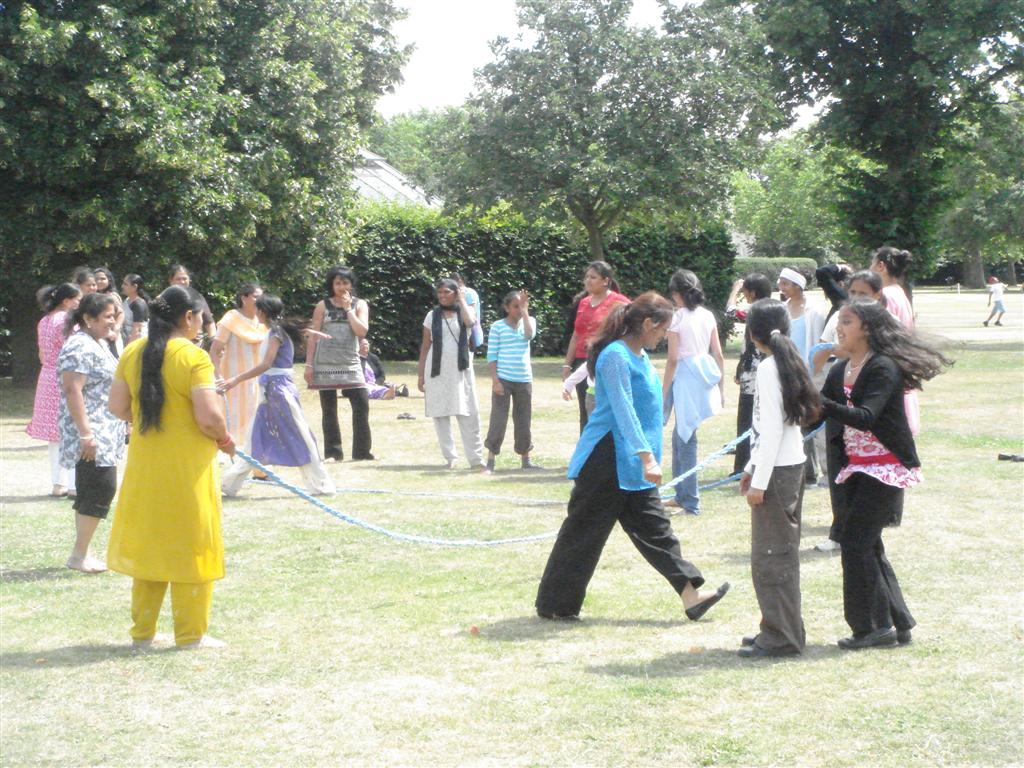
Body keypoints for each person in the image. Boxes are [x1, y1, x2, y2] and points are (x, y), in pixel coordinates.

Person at [536, 293, 730, 622]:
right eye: (661, 330)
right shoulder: (615, 356)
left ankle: (691, 595)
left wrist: (646, 458)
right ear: (646, 323)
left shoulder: (638, 356)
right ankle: (555, 604)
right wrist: (647, 458)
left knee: (655, 528)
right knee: (584, 531)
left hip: (633, 462)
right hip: (607, 457)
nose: (662, 337)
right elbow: (624, 412)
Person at [107, 285, 235, 649]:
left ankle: (142, 635)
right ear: (189, 317)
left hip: (147, 466)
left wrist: (154, 415)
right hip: (187, 468)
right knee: (192, 544)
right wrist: (226, 440)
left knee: (151, 545)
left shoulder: (133, 350)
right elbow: (210, 418)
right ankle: (191, 635)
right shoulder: (194, 358)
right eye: (200, 317)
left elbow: (117, 406)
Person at [819, 299, 951, 650]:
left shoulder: (883, 368)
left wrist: (822, 405)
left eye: (846, 322)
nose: (839, 327)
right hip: (854, 467)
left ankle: (874, 627)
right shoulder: (839, 370)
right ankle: (899, 622)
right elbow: (819, 413)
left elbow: (865, 416)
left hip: (886, 467)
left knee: (855, 541)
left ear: (866, 328)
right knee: (866, 544)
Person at [737, 299, 822, 658]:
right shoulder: (783, 362)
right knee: (776, 554)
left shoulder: (771, 368)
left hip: (779, 473)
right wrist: (751, 467)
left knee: (771, 557)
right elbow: (774, 429)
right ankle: (778, 626)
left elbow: (772, 429)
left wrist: (759, 481)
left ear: (753, 334)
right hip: (782, 466)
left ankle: (782, 635)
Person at [220, 296, 335, 497]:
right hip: (270, 391)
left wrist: (235, 380)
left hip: (279, 391)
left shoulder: (276, 333)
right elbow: (299, 330)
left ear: (263, 312)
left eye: (258, 310)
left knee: (302, 436)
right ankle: (229, 485)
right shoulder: (278, 330)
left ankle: (320, 485)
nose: (255, 313)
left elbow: (266, 364)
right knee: (253, 440)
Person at [813, 270, 886, 553]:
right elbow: (827, 351)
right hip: (841, 417)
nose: (854, 298)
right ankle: (839, 529)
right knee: (837, 470)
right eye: (852, 292)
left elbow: (868, 415)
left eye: (862, 294)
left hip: (868, 432)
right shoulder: (840, 366)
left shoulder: (880, 360)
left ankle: (854, 532)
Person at [57, 293, 126, 572]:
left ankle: (81, 552)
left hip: (105, 431)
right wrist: (86, 434)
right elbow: (73, 389)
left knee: (97, 488)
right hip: (92, 434)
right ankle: (79, 554)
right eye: (108, 316)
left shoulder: (96, 343)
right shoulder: (79, 345)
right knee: (99, 488)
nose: (113, 321)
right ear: (88, 318)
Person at [661, 269, 724, 514]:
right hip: (702, 377)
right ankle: (682, 494)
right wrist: (721, 387)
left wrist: (663, 389)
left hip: (686, 378)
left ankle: (690, 500)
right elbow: (717, 353)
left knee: (686, 439)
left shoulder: (677, 318)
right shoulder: (707, 315)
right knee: (681, 436)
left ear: (677, 294)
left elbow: (673, 359)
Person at [305, 266, 373, 461]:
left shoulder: (360, 304)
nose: (341, 286)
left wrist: (348, 309)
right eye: (337, 283)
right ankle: (333, 452)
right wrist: (309, 365)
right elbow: (313, 336)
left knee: (361, 404)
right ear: (331, 285)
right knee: (329, 409)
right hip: (324, 362)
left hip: (351, 362)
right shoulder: (322, 305)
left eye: (345, 282)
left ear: (351, 284)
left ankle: (362, 452)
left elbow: (361, 332)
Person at [417, 278, 485, 469]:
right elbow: (425, 345)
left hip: (460, 369)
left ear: (455, 293)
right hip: (436, 369)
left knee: (468, 412)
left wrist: (462, 299)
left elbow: (471, 321)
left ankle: (475, 459)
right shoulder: (432, 315)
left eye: (447, 292)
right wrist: (421, 374)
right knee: (440, 414)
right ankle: (450, 457)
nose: (442, 296)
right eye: (440, 293)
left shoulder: (465, 311)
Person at [27, 283, 82, 497]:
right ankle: (74, 484)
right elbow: (75, 350)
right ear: (67, 301)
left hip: (47, 376)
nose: (79, 303)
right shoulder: (68, 322)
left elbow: (42, 353)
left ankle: (58, 483)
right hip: (65, 378)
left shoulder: (44, 321)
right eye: (77, 299)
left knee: (55, 435)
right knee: (73, 430)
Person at [561, 261, 629, 432]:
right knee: (585, 409)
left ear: (605, 281)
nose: (588, 281)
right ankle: (587, 451)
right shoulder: (583, 303)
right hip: (582, 360)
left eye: (593, 277)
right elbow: (576, 334)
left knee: (603, 406)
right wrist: (567, 364)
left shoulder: (618, 301)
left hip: (604, 361)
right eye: (586, 277)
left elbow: (632, 324)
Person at [777, 267, 826, 484]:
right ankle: (808, 473)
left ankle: (825, 470)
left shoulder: (815, 311)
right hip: (788, 373)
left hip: (811, 374)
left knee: (817, 421)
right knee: (797, 421)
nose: (781, 287)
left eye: (785, 283)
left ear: (798, 286)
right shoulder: (781, 310)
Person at [484, 289, 541, 473]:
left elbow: (529, 335)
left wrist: (525, 312)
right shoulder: (497, 327)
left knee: (523, 419)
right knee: (498, 419)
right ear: (506, 307)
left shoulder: (528, 321)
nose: (518, 309)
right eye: (515, 306)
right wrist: (495, 380)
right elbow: (492, 355)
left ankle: (526, 460)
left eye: (522, 306)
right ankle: (490, 461)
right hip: (504, 379)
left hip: (524, 379)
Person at [726, 274, 772, 476]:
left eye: (745, 291)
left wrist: (734, 290)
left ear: (752, 292)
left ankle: (742, 466)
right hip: (764, 368)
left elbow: (730, 313)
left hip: (753, 371)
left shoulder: (755, 311)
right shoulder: (774, 309)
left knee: (746, 417)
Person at [210, 283, 267, 446]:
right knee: (234, 420)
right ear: (244, 298)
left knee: (255, 417)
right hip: (233, 380)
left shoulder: (262, 320)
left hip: (256, 378)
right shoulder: (231, 319)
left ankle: (256, 459)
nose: (260, 300)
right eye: (256, 296)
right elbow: (215, 350)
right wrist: (218, 376)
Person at [167, 264, 216, 347]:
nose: (182, 282)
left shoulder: (197, 297)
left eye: (184, 278)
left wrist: (213, 342)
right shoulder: (163, 299)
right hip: (171, 344)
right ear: (171, 281)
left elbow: (209, 323)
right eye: (178, 279)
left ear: (189, 280)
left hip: (195, 345)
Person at [869, 246, 915, 329]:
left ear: (881, 266)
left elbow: (881, 331)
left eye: (872, 263)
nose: (870, 268)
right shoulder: (898, 292)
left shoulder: (885, 295)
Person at [450, 272, 485, 350]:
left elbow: (472, 314)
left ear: (460, 281)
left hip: (470, 331)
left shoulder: (469, 293)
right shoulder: (454, 294)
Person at [121, 273, 151, 344]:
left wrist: (128, 349)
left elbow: (137, 331)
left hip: (137, 342)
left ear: (134, 287)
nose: (122, 286)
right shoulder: (127, 300)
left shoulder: (138, 304)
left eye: (125, 284)